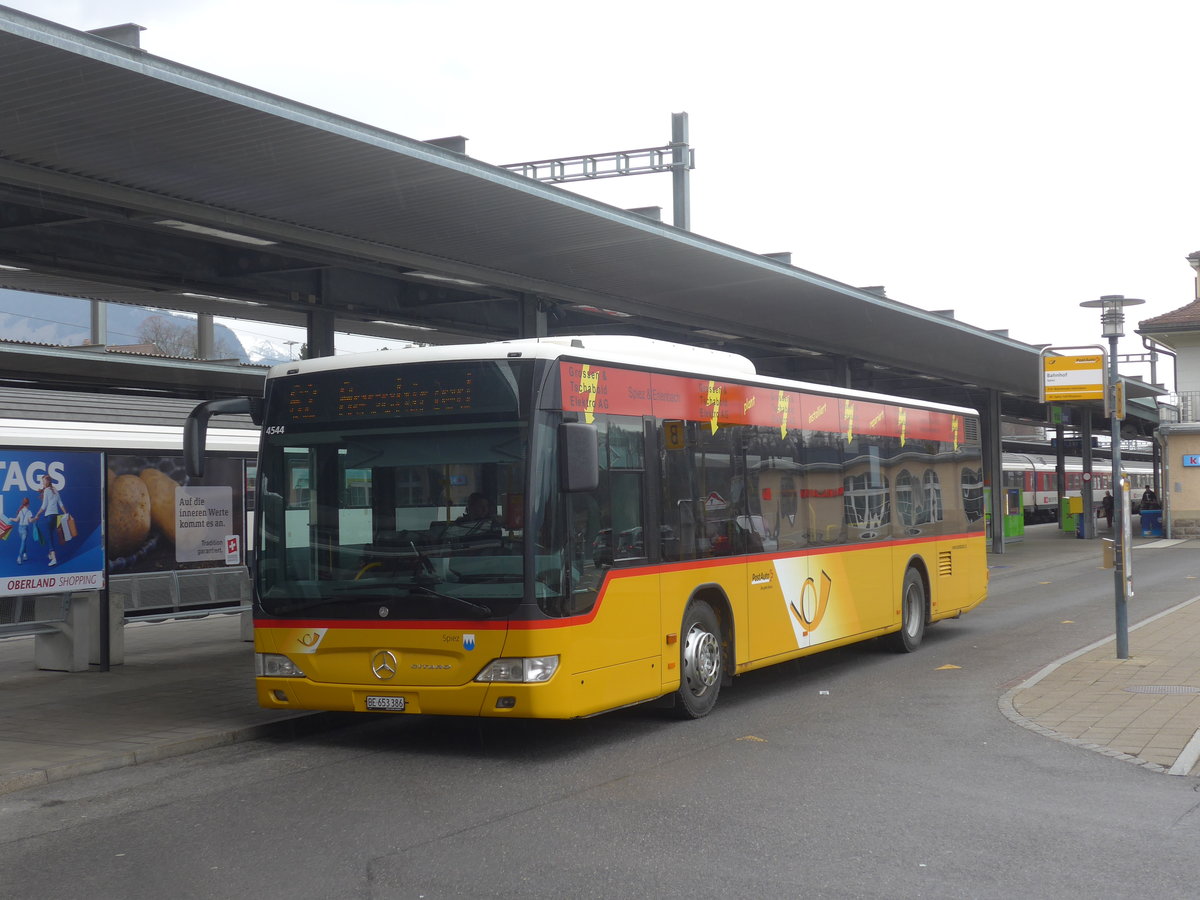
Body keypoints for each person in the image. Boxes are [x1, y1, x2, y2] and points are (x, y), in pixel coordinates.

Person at [33, 474, 69, 567]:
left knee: (50, 537)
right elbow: (60, 503)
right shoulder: (55, 490)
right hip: (56, 516)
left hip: (49, 516)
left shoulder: (47, 491)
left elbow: (44, 506)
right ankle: (50, 554)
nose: (43, 483)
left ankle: (53, 558)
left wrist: (37, 515)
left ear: (48, 481)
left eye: (44, 481)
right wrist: (66, 513)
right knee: (52, 535)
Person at [2, 496, 34, 564]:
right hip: (25, 529)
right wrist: (35, 519)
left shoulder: (20, 511)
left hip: (19, 529)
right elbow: (30, 521)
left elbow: (16, 520)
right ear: (28, 504)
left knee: (23, 541)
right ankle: (19, 557)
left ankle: (25, 555)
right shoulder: (29, 512)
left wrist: (11, 518)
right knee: (23, 542)